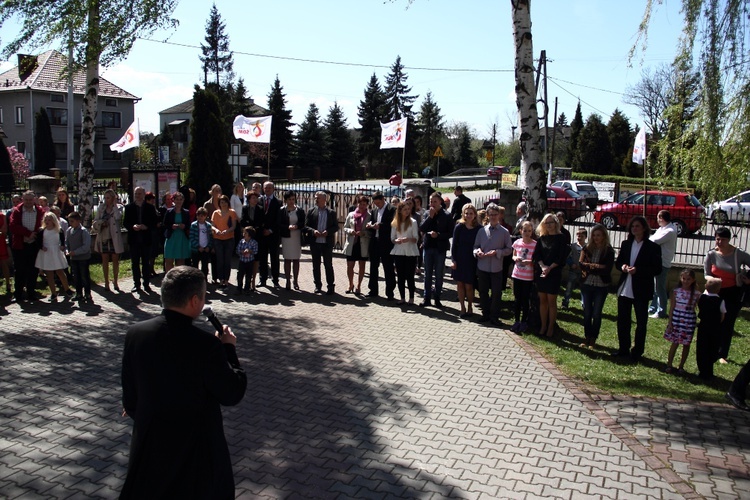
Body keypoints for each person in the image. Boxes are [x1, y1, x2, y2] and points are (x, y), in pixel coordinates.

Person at [120, 266, 247, 499]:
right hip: (195, 455)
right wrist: (228, 349)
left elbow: (130, 399)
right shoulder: (205, 345)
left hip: (151, 449)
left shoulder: (135, 333)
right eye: (204, 296)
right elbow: (232, 392)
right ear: (195, 300)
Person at [614, 216, 662, 362]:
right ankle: (623, 349)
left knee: (641, 323)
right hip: (625, 288)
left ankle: (637, 351)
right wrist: (622, 267)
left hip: (641, 289)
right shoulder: (626, 244)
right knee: (623, 321)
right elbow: (619, 262)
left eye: (637, 226)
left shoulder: (652, 247)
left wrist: (638, 270)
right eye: (633, 226)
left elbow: (657, 269)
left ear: (644, 229)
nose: (635, 229)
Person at [703, 226, 750, 364]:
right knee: (714, 321)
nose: (719, 242)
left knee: (727, 323)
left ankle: (723, 354)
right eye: (717, 239)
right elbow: (706, 273)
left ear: (729, 240)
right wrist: (711, 280)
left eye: (723, 240)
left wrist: (748, 279)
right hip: (716, 293)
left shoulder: (738, 254)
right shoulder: (711, 254)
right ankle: (712, 349)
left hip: (732, 292)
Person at [473, 203, 513, 325]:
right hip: (483, 266)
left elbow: (509, 249)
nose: (493, 217)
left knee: (496, 293)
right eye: (491, 215)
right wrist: (477, 252)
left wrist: (497, 252)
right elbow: (475, 246)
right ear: (488, 215)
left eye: (495, 214)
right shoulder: (481, 231)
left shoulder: (504, 232)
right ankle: (485, 313)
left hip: (496, 267)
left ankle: (494, 316)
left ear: (499, 215)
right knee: (483, 291)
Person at [578, 224, 615, 348]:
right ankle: (587, 336)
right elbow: (581, 264)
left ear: (604, 236)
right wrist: (596, 266)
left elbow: (607, 269)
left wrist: (591, 267)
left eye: (598, 235)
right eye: (594, 235)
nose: (595, 238)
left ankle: (593, 337)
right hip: (587, 283)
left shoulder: (608, 250)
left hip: (601, 285)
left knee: (596, 313)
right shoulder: (587, 248)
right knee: (587, 312)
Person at [533, 213, 569, 337]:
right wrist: (543, 267)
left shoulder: (561, 238)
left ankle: (550, 327)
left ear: (556, 223)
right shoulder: (541, 238)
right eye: (546, 223)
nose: (549, 225)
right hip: (542, 273)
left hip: (554, 273)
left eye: (551, 222)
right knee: (542, 301)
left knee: (551, 301)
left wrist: (549, 268)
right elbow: (536, 255)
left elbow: (561, 257)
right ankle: (543, 326)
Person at [419, 192, 453, 308]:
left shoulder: (447, 215)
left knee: (439, 275)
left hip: (440, 249)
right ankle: (426, 297)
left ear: (440, 202)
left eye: (435, 201)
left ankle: (437, 297)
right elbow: (422, 228)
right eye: (430, 201)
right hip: (428, 247)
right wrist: (430, 217)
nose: (432, 204)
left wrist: (438, 235)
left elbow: (450, 233)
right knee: (427, 274)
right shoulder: (427, 213)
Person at [663, 269, 701, 374]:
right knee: (674, 343)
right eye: (684, 278)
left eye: (689, 279)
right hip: (677, 319)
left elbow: (700, 307)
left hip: (689, 322)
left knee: (686, 344)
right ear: (680, 278)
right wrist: (670, 322)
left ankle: (681, 366)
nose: (686, 281)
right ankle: (669, 364)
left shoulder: (697, 294)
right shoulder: (676, 291)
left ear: (693, 280)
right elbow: (671, 308)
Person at [9, 191, 44, 301]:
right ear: (22, 200)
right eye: (26, 200)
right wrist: (28, 233)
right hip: (20, 245)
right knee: (19, 270)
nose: (28, 202)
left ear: (34, 200)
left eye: (30, 200)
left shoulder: (40, 211)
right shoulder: (17, 211)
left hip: (34, 245)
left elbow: (43, 226)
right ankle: (18, 294)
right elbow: (13, 226)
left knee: (33, 270)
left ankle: (31, 293)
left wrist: (36, 235)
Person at [124, 187, 159, 294]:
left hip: (146, 239)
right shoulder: (129, 207)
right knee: (135, 263)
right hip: (134, 239)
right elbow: (125, 223)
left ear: (144, 195)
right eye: (136, 194)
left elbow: (154, 222)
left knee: (146, 263)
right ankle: (136, 284)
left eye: (139, 194)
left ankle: (146, 284)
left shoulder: (150, 208)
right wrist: (132, 226)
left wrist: (146, 226)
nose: (137, 196)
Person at [451, 203, 481, 318]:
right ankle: (462, 307)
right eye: (466, 213)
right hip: (460, 258)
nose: (468, 215)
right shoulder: (459, 227)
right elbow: (454, 245)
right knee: (460, 284)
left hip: (471, 260)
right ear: (463, 214)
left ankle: (469, 306)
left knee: (469, 285)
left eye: (471, 213)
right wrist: (454, 260)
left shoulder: (479, 228)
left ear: (474, 215)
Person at [305, 191, 338, 295]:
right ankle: (317, 286)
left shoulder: (331, 212)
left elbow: (336, 226)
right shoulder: (311, 211)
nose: (316, 199)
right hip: (315, 242)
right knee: (316, 265)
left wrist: (327, 232)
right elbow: (306, 226)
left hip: (326, 243)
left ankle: (331, 286)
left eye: (318, 198)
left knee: (328, 265)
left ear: (324, 199)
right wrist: (313, 231)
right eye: (315, 198)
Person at [35, 212, 72, 301]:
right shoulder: (42, 231)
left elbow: (63, 240)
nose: (47, 222)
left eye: (49, 220)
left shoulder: (58, 230)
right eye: (46, 220)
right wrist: (41, 247)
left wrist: (62, 246)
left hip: (56, 252)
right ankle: (53, 293)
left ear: (53, 221)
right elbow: (38, 242)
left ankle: (67, 289)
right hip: (46, 253)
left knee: (60, 272)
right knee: (49, 274)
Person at [366, 191, 396, 300]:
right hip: (375, 242)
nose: (377, 205)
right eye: (375, 203)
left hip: (386, 243)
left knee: (388, 268)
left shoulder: (392, 209)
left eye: (379, 203)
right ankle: (373, 290)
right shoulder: (374, 211)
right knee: (373, 267)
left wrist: (380, 226)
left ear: (383, 199)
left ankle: (390, 292)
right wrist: (370, 225)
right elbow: (372, 221)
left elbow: (393, 224)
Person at [93, 189, 124, 293]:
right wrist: (102, 222)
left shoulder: (118, 207)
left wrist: (114, 206)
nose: (106, 200)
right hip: (104, 236)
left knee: (115, 260)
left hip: (114, 237)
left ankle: (115, 281)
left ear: (113, 198)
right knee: (105, 259)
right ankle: (106, 282)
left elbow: (118, 217)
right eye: (105, 197)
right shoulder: (101, 208)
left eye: (108, 197)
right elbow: (96, 220)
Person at [390, 198, 420, 305]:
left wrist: (409, 239)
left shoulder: (413, 222)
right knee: (400, 276)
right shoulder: (395, 223)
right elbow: (392, 238)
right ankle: (402, 297)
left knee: (410, 276)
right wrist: (396, 241)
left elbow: (416, 238)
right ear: (400, 211)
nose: (407, 211)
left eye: (408, 209)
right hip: (399, 251)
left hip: (411, 252)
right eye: (405, 209)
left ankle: (411, 298)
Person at [649, 210, 678, 319]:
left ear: (661, 218)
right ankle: (653, 307)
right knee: (655, 286)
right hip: (656, 261)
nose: (657, 220)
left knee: (660, 287)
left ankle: (661, 311)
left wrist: (650, 239)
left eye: (658, 217)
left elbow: (654, 240)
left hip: (663, 262)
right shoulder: (662, 229)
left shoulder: (670, 231)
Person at [698, 277, 726, 380]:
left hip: (703, 326)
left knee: (702, 348)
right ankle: (709, 371)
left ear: (705, 286)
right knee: (712, 348)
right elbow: (722, 315)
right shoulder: (720, 301)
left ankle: (702, 370)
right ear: (719, 290)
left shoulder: (702, 298)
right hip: (715, 328)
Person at [510, 221, 536, 333]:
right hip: (517, 275)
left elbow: (535, 260)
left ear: (532, 232)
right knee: (517, 299)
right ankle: (516, 320)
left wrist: (529, 261)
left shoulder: (535, 244)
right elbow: (514, 255)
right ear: (520, 231)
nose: (526, 233)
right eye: (524, 230)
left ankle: (524, 321)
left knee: (525, 300)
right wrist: (515, 258)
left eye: (529, 231)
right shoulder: (517, 242)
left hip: (527, 277)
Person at [343, 195, 371, 295]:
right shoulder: (351, 214)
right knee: (350, 266)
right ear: (357, 203)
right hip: (352, 244)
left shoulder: (369, 216)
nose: (362, 206)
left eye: (364, 204)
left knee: (361, 266)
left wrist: (364, 233)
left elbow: (371, 232)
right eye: (360, 204)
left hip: (362, 244)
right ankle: (351, 284)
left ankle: (359, 285)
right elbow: (345, 227)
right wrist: (351, 231)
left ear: (367, 205)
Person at [278, 190, 305, 290]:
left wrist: (297, 226)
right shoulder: (282, 210)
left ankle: (296, 281)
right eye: (289, 199)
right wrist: (287, 227)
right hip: (286, 237)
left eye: (293, 199)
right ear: (285, 200)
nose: (291, 201)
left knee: (296, 259)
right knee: (287, 259)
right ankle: (288, 281)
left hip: (296, 237)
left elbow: (303, 223)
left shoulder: (299, 210)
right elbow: (279, 223)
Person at [211, 195, 238, 288]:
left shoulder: (232, 212)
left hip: (229, 239)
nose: (223, 204)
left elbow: (234, 226)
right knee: (220, 260)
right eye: (221, 202)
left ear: (228, 202)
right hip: (218, 239)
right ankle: (221, 279)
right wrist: (216, 230)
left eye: (225, 202)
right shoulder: (215, 213)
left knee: (227, 260)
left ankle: (226, 279)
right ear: (219, 203)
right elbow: (212, 225)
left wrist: (227, 231)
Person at [258, 181, 281, 288]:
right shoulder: (259, 200)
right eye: (265, 188)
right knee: (262, 258)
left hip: (273, 235)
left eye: (269, 188)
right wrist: (262, 229)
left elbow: (279, 220)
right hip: (262, 235)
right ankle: (262, 279)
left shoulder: (279, 203)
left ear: (273, 189)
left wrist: (270, 230)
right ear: (263, 189)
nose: (267, 190)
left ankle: (275, 280)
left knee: (274, 258)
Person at [65, 212, 92, 303]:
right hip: (74, 258)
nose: (70, 223)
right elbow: (66, 242)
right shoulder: (69, 230)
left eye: (72, 221)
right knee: (76, 277)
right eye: (69, 221)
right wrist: (67, 250)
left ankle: (87, 294)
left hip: (83, 258)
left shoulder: (84, 231)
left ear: (78, 221)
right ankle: (79, 293)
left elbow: (86, 246)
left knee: (84, 276)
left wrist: (75, 252)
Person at [163, 191, 192, 272]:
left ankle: (178, 279)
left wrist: (184, 226)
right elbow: (165, 224)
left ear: (183, 200)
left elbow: (189, 225)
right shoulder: (169, 211)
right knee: (169, 260)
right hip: (171, 237)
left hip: (182, 238)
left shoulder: (186, 212)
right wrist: (171, 226)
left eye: (180, 199)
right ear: (174, 200)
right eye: (177, 199)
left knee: (180, 261)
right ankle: (169, 278)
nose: (179, 201)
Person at [562, 228, 586, 309]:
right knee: (569, 287)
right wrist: (571, 263)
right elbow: (568, 257)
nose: (579, 237)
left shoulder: (587, 247)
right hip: (573, 270)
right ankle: (565, 301)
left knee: (583, 288)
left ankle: (584, 303)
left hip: (583, 271)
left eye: (582, 236)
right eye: (578, 235)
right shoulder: (573, 246)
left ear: (585, 237)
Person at [189, 207, 214, 280]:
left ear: (205, 216)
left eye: (202, 216)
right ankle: (195, 280)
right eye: (199, 215)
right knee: (195, 266)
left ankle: (204, 279)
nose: (200, 217)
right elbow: (191, 237)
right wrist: (198, 246)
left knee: (205, 266)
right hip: (196, 249)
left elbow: (211, 237)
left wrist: (208, 247)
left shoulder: (208, 226)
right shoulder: (193, 225)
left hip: (205, 249)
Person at [236, 226, 258, 295]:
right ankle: (239, 288)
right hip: (242, 261)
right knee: (240, 275)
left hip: (250, 261)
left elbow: (255, 251)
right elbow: (237, 250)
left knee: (248, 276)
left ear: (249, 234)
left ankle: (247, 289)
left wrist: (250, 251)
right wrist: (242, 252)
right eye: (243, 232)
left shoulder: (254, 242)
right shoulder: (241, 242)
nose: (244, 234)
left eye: (245, 233)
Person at [0, 208, 11, 295]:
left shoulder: (2, 216)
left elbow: (4, 230)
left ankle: (8, 282)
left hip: (1, 242)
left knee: (4, 262)